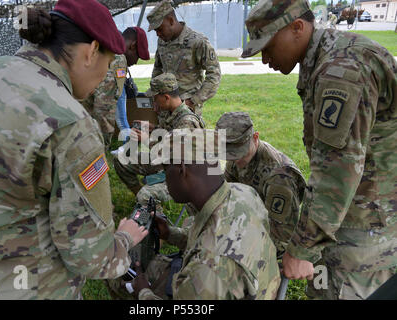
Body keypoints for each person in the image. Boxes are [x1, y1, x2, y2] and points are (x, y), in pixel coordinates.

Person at [0, 0, 148, 299]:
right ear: (91, 51)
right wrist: (123, 239)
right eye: (107, 66)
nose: (103, 79)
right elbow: (89, 256)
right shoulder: (71, 124)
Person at [242, 0, 396, 299]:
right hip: (367, 211)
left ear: (297, 27)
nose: (264, 60)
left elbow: (336, 172)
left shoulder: (340, 70)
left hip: (365, 230)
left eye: (269, 46)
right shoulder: (329, 56)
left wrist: (301, 248)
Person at [131, 131, 281, 299]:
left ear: (181, 169)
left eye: (166, 170)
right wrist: (170, 234)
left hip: (210, 287)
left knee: (122, 278)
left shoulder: (209, 269)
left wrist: (143, 293)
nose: (166, 179)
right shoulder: (243, 192)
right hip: (255, 287)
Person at [215, 112, 306, 258]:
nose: (235, 159)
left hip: (270, 237)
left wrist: (232, 233)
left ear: (255, 137)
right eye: (230, 154)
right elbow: (227, 193)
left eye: (240, 153)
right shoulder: (238, 156)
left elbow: (279, 236)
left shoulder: (280, 177)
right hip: (248, 219)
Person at [113, 73, 204, 196]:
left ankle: (148, 202)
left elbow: (174, 155)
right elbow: (169, 135)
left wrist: (146, 140)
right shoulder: (171, 112)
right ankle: (143, 198)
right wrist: (153, 128)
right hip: (165, 164)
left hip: (181, 174)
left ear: (166, 97)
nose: (154, 101)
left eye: (155, 98)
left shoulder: (187, 122)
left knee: (145, 196)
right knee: (120, 159)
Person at [147, 0, 221, 119]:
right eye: (156, 31)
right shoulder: (162, 41)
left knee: (186, 138)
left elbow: (214, 75)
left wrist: (193, 101)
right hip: (165, 108)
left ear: (171, 21)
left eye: (160, 29)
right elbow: (157, 69)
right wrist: (155, 97)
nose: (158, 34)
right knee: (164, 137)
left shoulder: (197, 42)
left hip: (187, 111)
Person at [81, 26, 150, 149]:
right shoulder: (119, 58)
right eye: (138, 56)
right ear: (132, 46)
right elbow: (104, 108)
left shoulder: (108, 44)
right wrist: (103, 146)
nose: (135, 62)